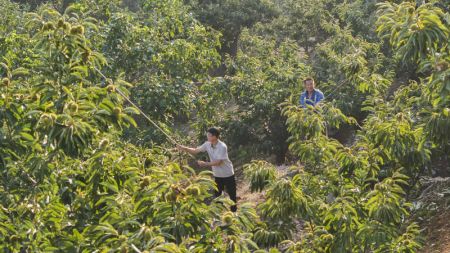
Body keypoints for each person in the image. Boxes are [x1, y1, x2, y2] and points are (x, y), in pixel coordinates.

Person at [177, 127, 237, 212]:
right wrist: (184, 148)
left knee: (232, 195)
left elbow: (218, 162)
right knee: (218, 195)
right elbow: (195, 150)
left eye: (209, 135)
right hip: (217, 174)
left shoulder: (222, 146)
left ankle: (234, 213)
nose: (207, 137)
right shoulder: (207, 144)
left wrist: (205, 164)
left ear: (215, 136)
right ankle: (219, 213)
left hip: (228, 174)